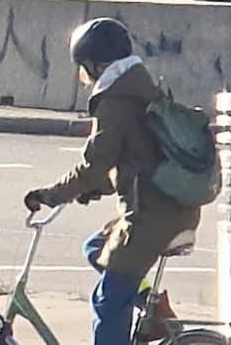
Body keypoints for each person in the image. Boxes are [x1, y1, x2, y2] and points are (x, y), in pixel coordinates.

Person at [23, 18, 200, 345]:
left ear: (92, 64)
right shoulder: (138, 88)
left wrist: (49, 194)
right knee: (96, 247)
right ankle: (153, 308)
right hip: (166, 209)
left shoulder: (116, 100)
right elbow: (135, 158)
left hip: (151, 218)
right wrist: (95, 188)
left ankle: (145, 312)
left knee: (108, 305)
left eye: (83, 67)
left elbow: (95, 163)